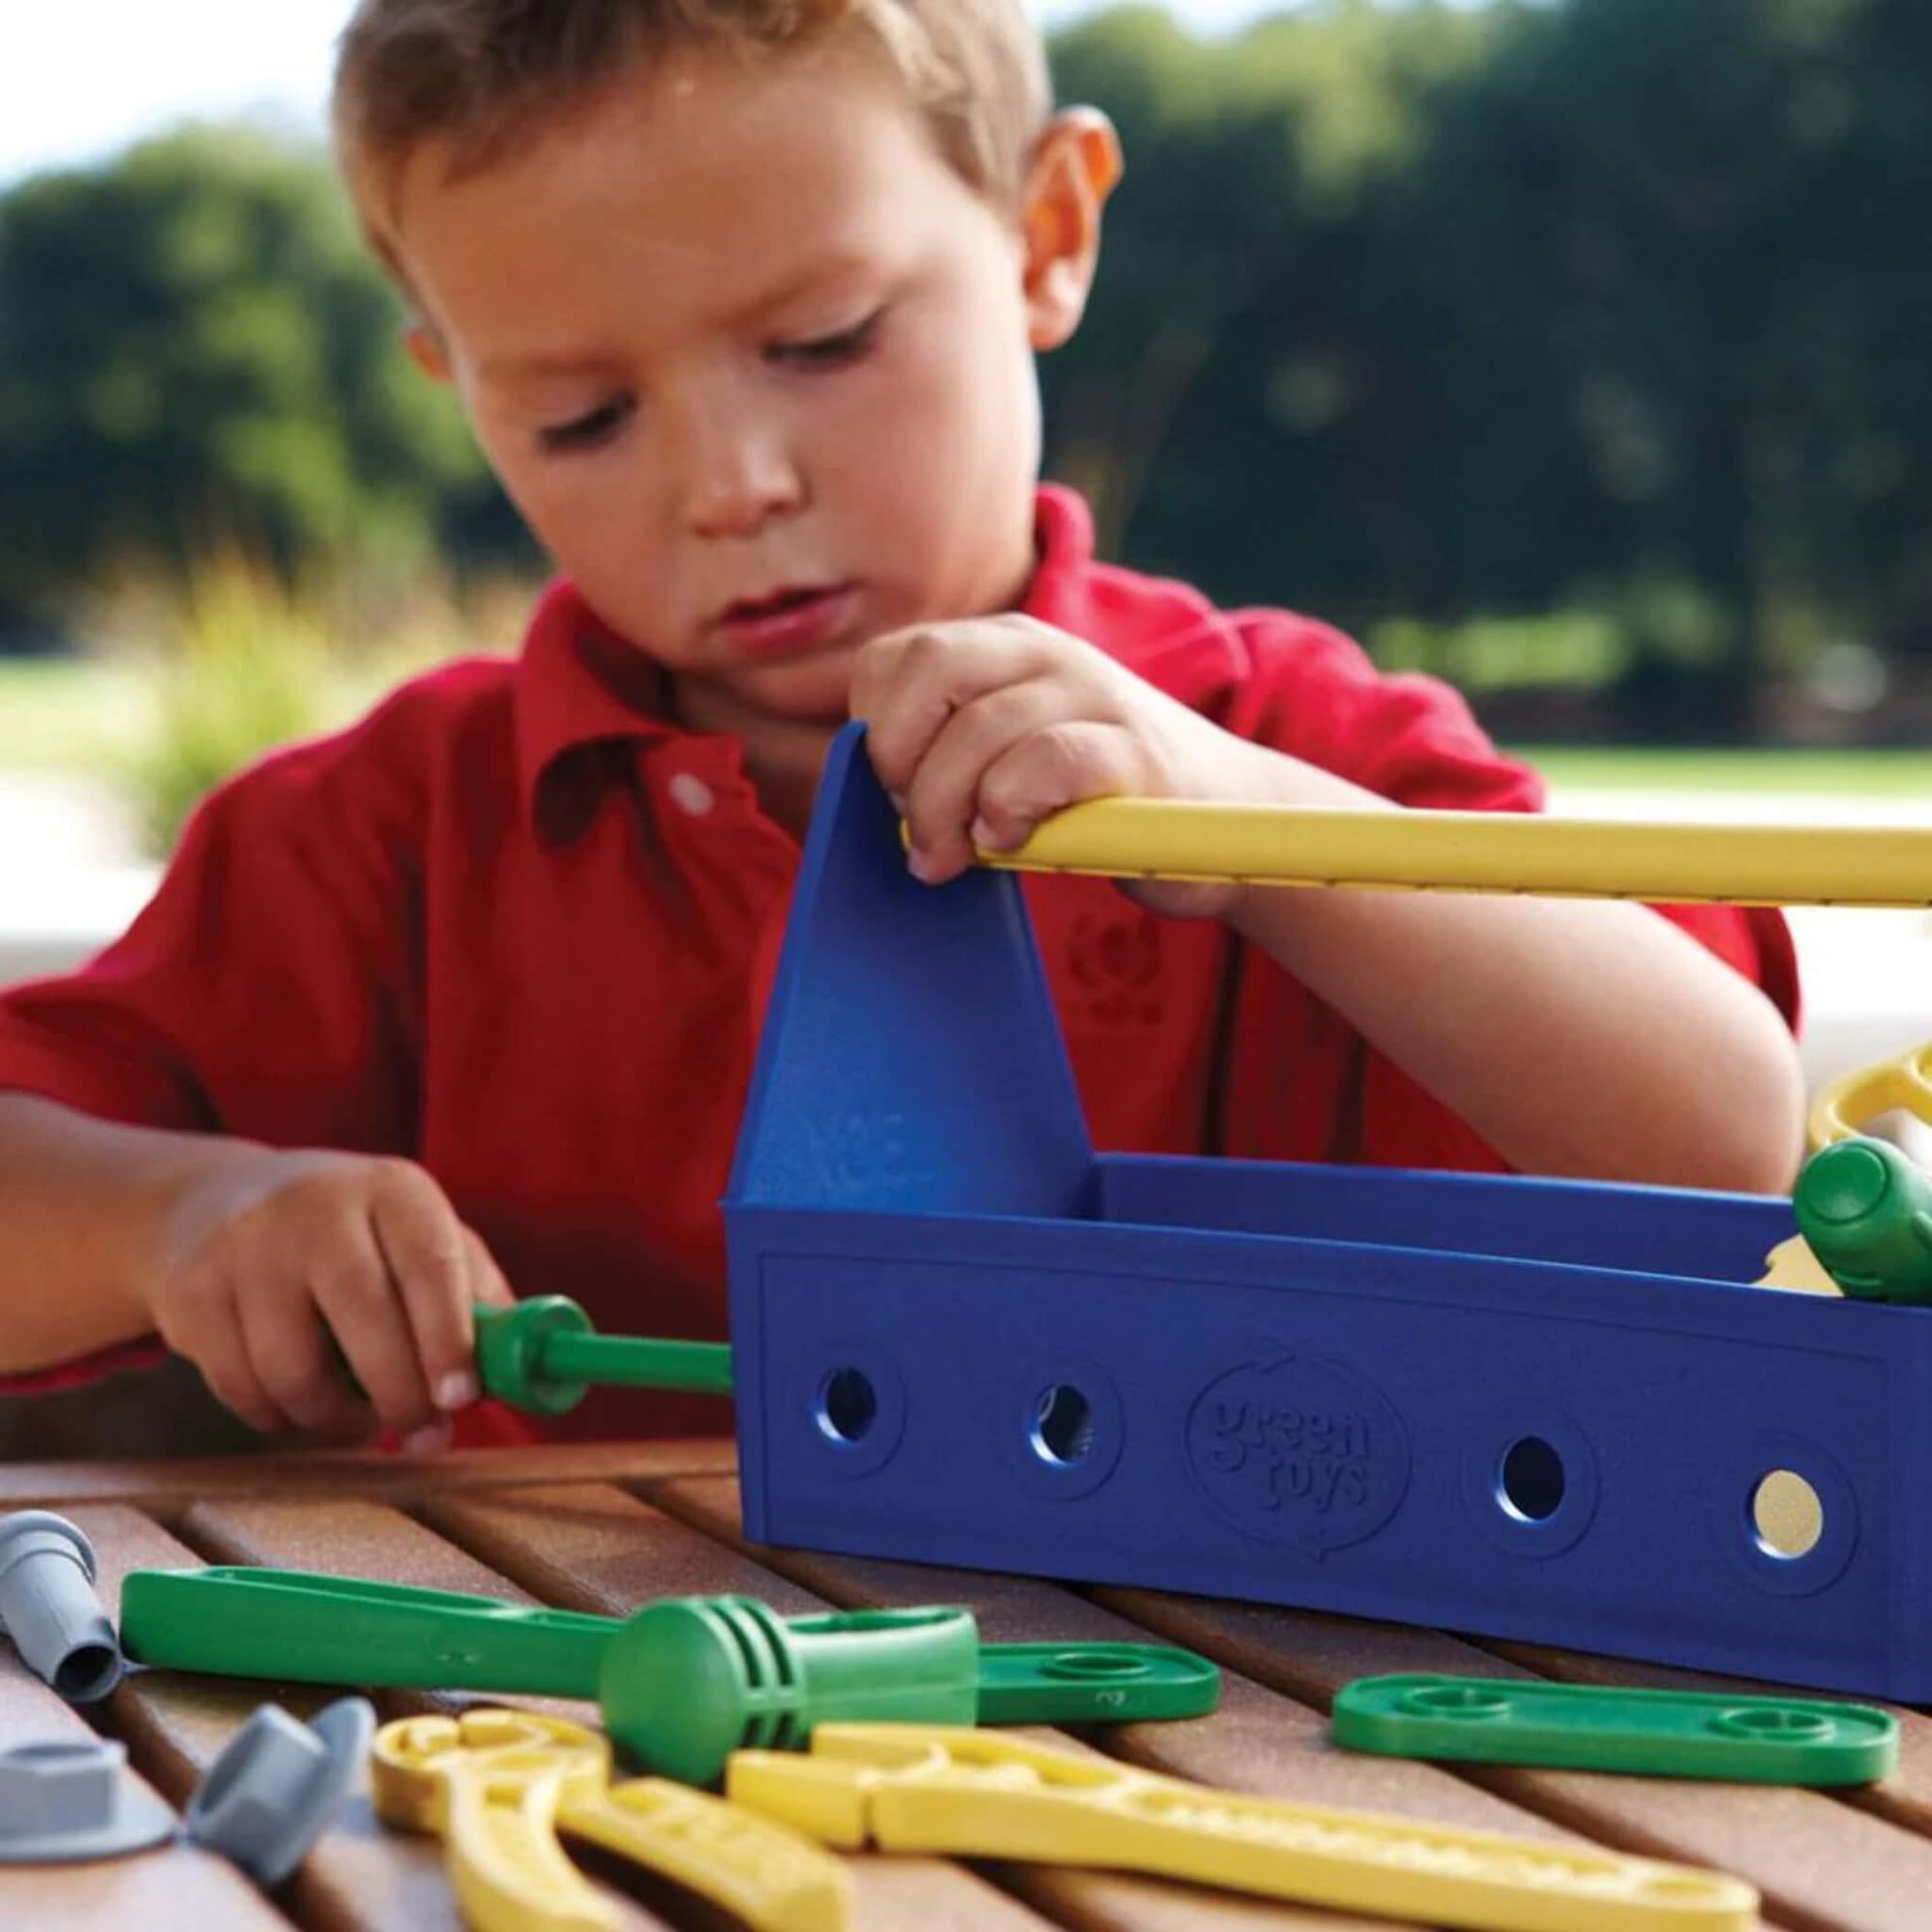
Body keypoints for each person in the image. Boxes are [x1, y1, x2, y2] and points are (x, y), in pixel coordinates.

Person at [0, 0, 1805, 1452]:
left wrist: (1246, 830)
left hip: (1262, 1721)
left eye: (823, 339)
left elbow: (1728, 1142)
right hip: (557, 1752)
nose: (731, 483)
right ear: (451, 385)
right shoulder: (379, 835)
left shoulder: (1280, 738)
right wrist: (176, 1218)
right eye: (578, 418)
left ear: (1046, 232)